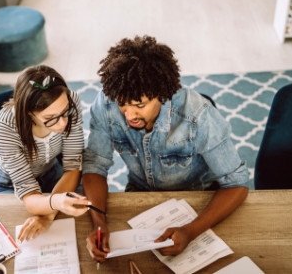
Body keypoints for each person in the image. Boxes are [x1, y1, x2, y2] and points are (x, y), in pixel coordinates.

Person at [82, 36, 250, 261]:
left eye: (140, 105)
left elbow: (237, 184)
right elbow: (95, 165)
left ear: (161, 95)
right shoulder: (106, 102)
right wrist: (99, 224)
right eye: (123, 103)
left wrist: (190, 231)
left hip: (196, 196)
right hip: (139, 191)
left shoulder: (198, 115)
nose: (129, 115)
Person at [0, 65, 90, 242]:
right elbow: (28, 193)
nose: (62, 124)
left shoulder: (70, 100)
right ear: (28, 113)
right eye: (50, 118)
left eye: (65, 113)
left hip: (52, 172)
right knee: (9, 237)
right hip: (9, 183)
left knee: (85, 220)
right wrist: (56, 202)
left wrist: (48, 215)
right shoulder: (4, 127)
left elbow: (73, 165)